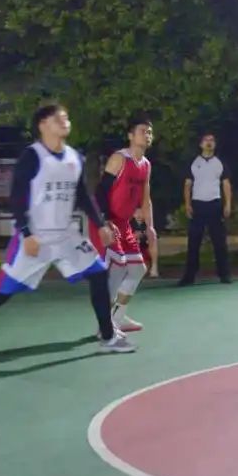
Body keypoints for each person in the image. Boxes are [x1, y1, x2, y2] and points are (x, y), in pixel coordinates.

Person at [0, 104, 134, 365]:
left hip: (66, 235)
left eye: (66, 117)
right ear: (43, 125)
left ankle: (108, 336)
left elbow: (82, 195)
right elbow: (16, 198)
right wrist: (26, 232)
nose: (65, 121)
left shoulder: (74, 157)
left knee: (99, 274)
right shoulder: (32, 156)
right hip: (35, 236)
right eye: (58, 118)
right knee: (2, 292)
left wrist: (99, 224)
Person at [90, 116, 156, 332]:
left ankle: (117, 317)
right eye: (142, 131)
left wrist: (150, 226)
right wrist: (105, 221)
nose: (147, 135)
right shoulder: (119, 158)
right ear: (130, 135)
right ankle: (105, 326)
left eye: (149, 132)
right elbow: (101, 191)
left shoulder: (146, 165)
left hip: (124, 223)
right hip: (107, 221)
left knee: (138, 269)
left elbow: (145, 199)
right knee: (117, 270)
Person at [179, 132, 233, 285]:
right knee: (194, 242)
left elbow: (226, 184)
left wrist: (228, 204)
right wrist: (188, 204)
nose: (209, 143)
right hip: (198, 205)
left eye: (212, 140)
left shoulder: (220, 162)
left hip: (215, 204)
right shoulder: (194, 162)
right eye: (206, 140)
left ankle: (224, 274)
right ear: (201, 144)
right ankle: (189, 276)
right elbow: (187, 185)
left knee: (219, 241)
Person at [130, 208, 158, 278]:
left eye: (141, 213)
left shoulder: (147, 224)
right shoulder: (130, 224)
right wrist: (133, 236)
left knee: (144, 267)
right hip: (133, 250)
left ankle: (152, 267)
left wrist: (143, 234)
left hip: (143, 248)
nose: (138, 215)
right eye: (136, 213)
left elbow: (152, 237)